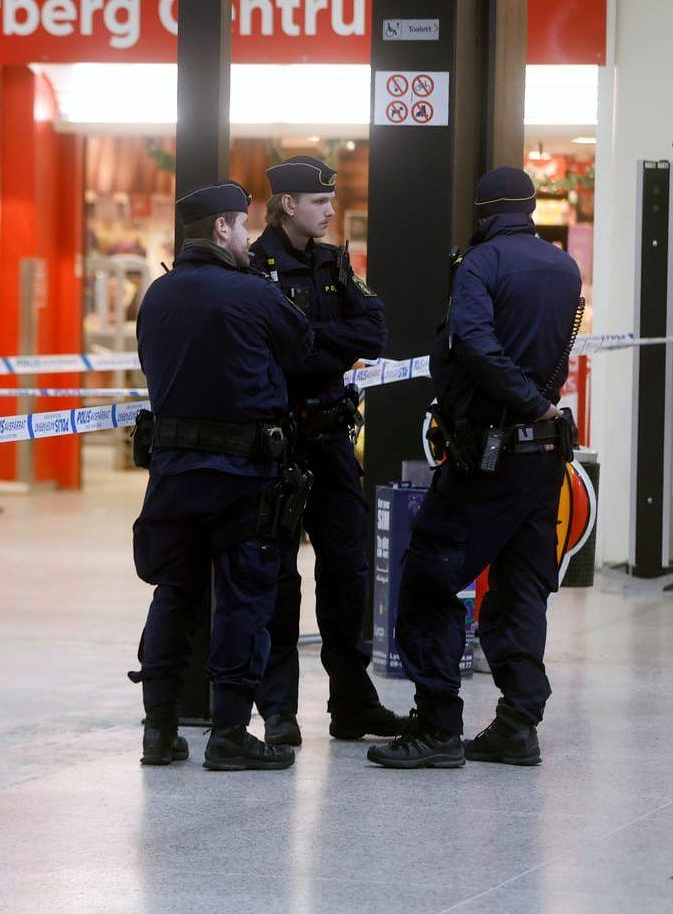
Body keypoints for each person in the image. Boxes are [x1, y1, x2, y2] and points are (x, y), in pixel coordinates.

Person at [368, 166, 583, 769]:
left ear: (483, 212)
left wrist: (525, 398)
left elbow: (476, 344)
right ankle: (518, 722)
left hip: (490, 455)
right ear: (532, 207)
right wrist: (540, 404)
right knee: (521, 586)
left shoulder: (480, 266)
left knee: (430, 577)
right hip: (543, 456)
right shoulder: (562, 266)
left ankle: (437, 725)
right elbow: (551, 350)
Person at [128, 180, 313, 772]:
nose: (249, 238)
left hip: (173, 475)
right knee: (243, 596)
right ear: (221, 230)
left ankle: (158, 729)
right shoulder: (251, 295)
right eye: (243, 225)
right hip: (243, 475)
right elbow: (302, 344)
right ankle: (229, 732)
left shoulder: (155, 297)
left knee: (174, 592)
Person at [248, 155, 408, 747]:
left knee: (347, 569)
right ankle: (278, 708)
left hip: (330, 439)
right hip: (277, 445)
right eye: (320, 201)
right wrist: (323, 349)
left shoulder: (333, 263)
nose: (330, 209)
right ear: (287, 203)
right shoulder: (254, 266)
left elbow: (374, 331)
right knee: (277, 576)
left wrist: (313, 342)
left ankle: (352, 702)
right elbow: (272, 353)